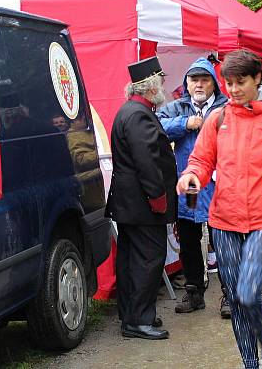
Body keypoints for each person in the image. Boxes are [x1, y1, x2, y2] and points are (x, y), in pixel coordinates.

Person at [177, 50, 262, 369]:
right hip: (224, 221)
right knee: (235, 299)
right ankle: (250, 364)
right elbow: (202, 161)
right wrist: (191, 176)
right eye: (229, 83)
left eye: (241, 82)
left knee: (248, 294)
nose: (233, 89)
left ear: (258, 78)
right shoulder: (218, 119)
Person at [107, 56, 177, 340]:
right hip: (142, 204)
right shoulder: (138, 114)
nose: (163, 85)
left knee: (130, 259)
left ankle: (132, 315)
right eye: (160, 81)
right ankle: (138, 320)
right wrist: (158, 196)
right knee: (148, 259)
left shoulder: (130, 111)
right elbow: (147, 161)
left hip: (130, 204)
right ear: (150, 87)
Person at [157, 57, 229, 316]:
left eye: (204, 79)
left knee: (225, 243)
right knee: (188, 240)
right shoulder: (176, 108)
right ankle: (194, 292)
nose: (198, 85)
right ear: (186, 83)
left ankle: (229, 297)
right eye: (193, 80)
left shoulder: (226, 107)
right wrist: (185, 124)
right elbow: (157, 128)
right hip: (189, 184)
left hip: (221, 185)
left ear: (214, 84)